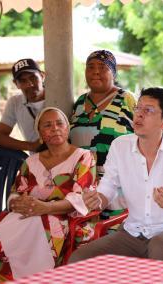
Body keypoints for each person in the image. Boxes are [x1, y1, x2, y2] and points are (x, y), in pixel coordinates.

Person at [0, 107, 97, 283]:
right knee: (14, 218)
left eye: (60, 123)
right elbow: (16, 192)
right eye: (48, 125)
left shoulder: (83, 156)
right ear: (40, 134)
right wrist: (16, 204)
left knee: (40, 221)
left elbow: (80, 197)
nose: (55, 128)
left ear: (67, 128)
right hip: (31, 214)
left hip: (67, 218)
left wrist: (45, 207)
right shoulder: (31, 161)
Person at [68, 87, 163, 264]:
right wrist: (97, 199)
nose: (139, 115)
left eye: (148, 110)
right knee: (79, 259)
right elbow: (107, 189)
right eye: (138, 108)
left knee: (160, 246)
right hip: (132, 233)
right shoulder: (119, 146)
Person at [69, 50, 135, 212]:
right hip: (82, 185)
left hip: (118, 185)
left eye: (102, 67)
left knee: (113, 232)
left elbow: (144, 137)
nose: (95, 71)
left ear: (113, 72)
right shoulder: (79, 103)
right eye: (90, 67)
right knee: (85, 232)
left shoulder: (126, 99)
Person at [0, 58, 45, 152]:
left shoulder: (58, 97)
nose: (30, 84)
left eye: (33, 77)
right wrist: (31, 146)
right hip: (37, 161)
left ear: (42, 76)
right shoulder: (15, 102)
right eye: (23, 81)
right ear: (16, 84)